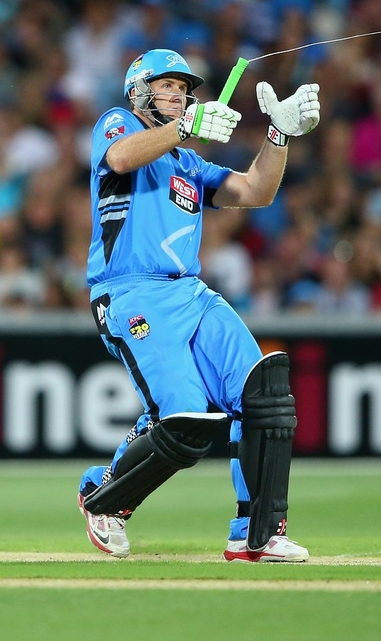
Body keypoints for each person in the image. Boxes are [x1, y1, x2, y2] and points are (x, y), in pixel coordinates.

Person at [76, 48, 320, 562]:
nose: (180, 95)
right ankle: (104, 500)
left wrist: (279, 136)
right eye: (167, 86)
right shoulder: (116, 124)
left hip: (190, 291)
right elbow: (120, 159)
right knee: (184, 418)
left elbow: (255, 191)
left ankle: (257, 532)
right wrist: (186, 126)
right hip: (131, 290)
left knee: (263, 393)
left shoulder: (187, 162)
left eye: (184, 89)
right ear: (139, 90)